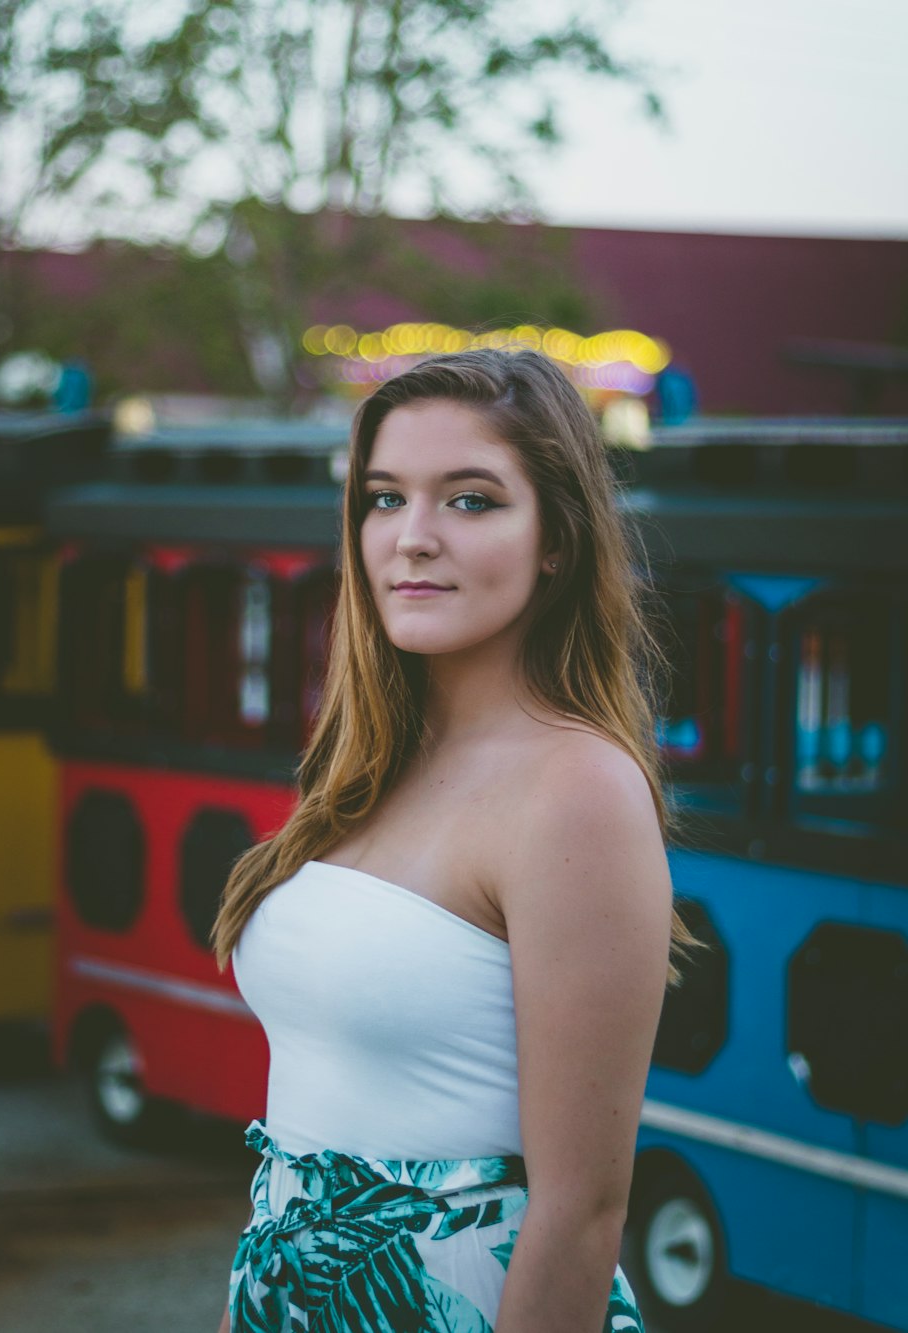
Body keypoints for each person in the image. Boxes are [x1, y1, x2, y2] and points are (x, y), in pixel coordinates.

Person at [212, 347, 693, 1333]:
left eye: (470, 501)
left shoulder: (576, 790)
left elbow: (580, 1210)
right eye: (384, 499)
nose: (413, 538)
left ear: (555, 538)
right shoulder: (367, 762)